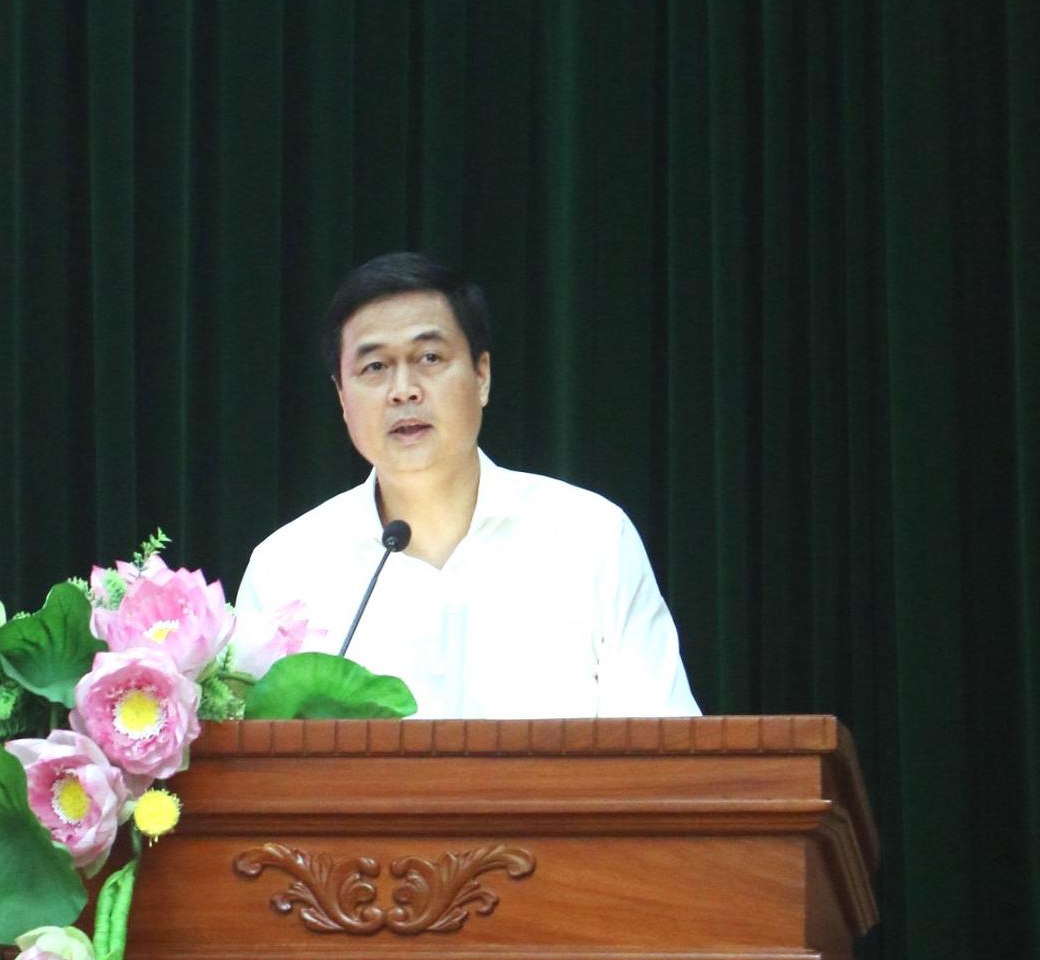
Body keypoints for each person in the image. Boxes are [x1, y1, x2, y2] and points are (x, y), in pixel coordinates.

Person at [235, 253, 700, 720]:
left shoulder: (591, 537)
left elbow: (664, 742)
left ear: (482, 376)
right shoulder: (287, 567)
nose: (403, 390)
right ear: (342, 397)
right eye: (374, 367)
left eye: (429, 358)